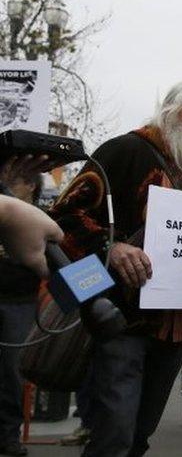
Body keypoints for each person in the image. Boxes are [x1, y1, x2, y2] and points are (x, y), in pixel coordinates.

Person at [49, 80, 182, 457]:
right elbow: (63, 216)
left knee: (140, 435)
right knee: (114, 435)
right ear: (170, 110)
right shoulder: (125, 151)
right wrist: (112, 247)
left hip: (175, 331)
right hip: (124, 320)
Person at [0, 172, 43, 456]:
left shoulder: (41, 219)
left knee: (12, 375)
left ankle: (7, 436)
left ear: (31, 185)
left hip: (20, 305)